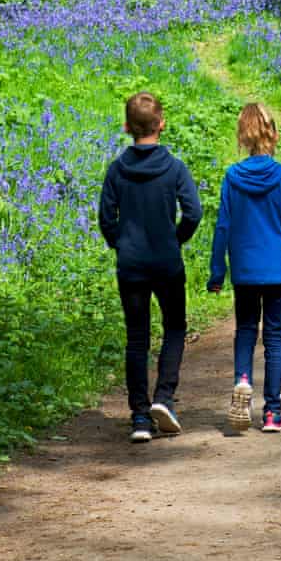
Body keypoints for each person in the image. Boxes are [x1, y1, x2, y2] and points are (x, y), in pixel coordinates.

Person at [208, 102, 281, 433]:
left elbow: (223, 228)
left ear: (242, 138)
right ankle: (272, 412)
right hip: (277, 272)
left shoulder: (232, 178)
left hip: (245, 271)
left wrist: (217, 272)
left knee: (246, 330)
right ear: (273, 135)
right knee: (274, 338)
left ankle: (242, 380)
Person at [99, 91, 203, 443]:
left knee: (137, 338)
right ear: (162, 125)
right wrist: (175, 240)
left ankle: (140, 417)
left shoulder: (117, 169)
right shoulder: (174, 167)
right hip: (167, 263)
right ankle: (164, 398)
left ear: (127, 126)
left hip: (131, 266)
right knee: (174, 327)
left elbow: (105, 218)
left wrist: (121, 243)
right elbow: (194, 212)